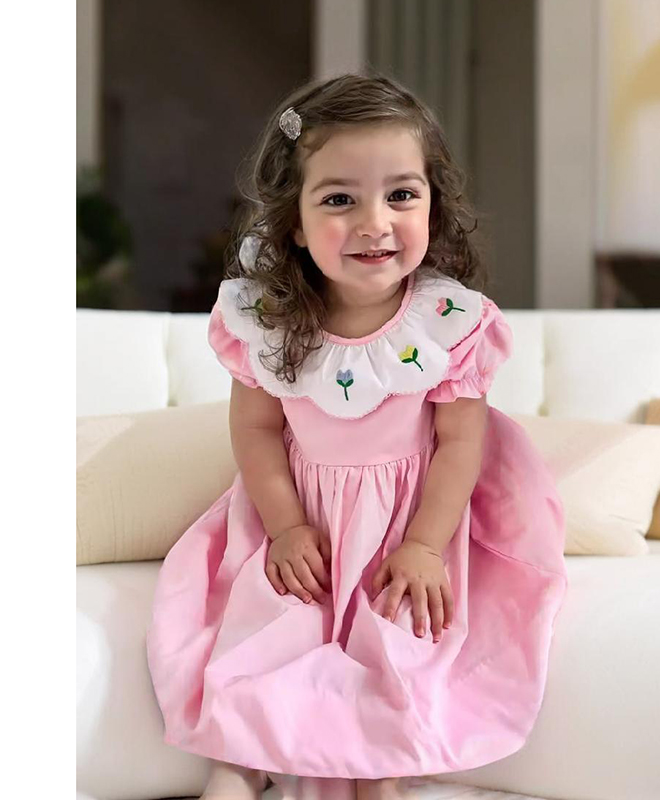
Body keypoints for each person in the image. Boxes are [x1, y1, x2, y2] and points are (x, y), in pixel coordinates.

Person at [146, 73, 567, 800]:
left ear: (433, 206)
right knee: (262, 638)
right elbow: (256, 428)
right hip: (301, 519)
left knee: (401, 645)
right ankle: (242, 764)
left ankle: (377, 774)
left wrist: (425, 546)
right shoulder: (270, 322)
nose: (375, 222)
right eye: (340, 199)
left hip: (410, 523)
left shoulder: (448, 326)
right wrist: (285, 527)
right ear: (295, 222)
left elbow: (461, 444)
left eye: (401, 195)